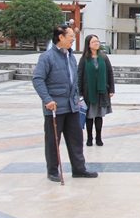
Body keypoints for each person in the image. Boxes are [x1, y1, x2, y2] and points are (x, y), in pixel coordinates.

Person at [33, 25, 98, 182]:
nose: (73, 40)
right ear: (60, 37)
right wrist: (47, 99)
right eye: (71, 37)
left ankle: (79, 168)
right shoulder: (47, 57)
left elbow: (74, 80)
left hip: (72, 106)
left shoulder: (70, 56)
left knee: (76, 139)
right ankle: (53, 171)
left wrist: (77, 98)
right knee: (53, 141)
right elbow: (38, 79)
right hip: (55, 107)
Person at [77, 34, 115, 147]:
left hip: (101, 91)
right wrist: (80, 93)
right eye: (93, 42)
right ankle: (89, 137)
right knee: (89, 116)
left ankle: (99, 137)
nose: (96, 43)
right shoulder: (84, 59)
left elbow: (110, 73)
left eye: (97, 41)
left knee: (99, 115)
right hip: (88, 92)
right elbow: (79, 76)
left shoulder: (104, 58)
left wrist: (111, 89)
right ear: (88, 44)